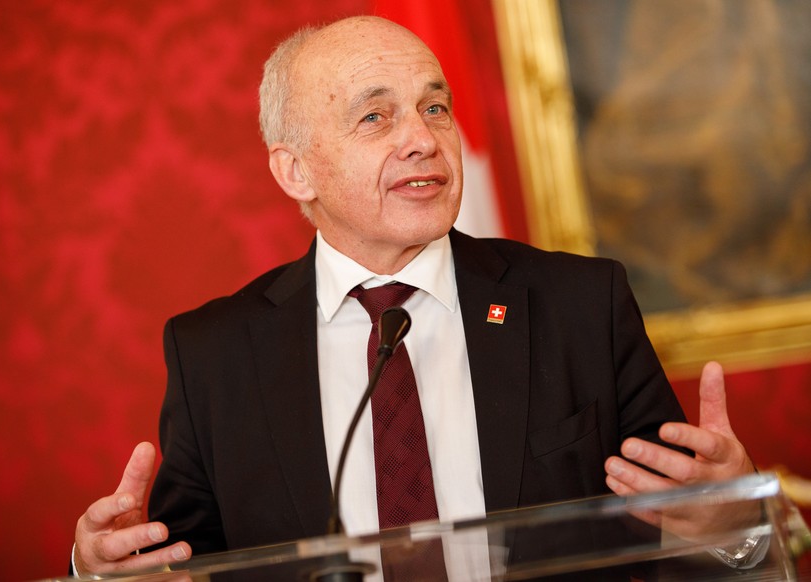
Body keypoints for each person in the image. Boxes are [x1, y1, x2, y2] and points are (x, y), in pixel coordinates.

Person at [72, 15, 757, 576]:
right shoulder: (214, 354)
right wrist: (98, 569)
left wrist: (734, 525)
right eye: (375, 118)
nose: (424, 140)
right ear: (295, 170)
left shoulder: (582, 304)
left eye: (436, 107)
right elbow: (176, 561)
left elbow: (687, 532)